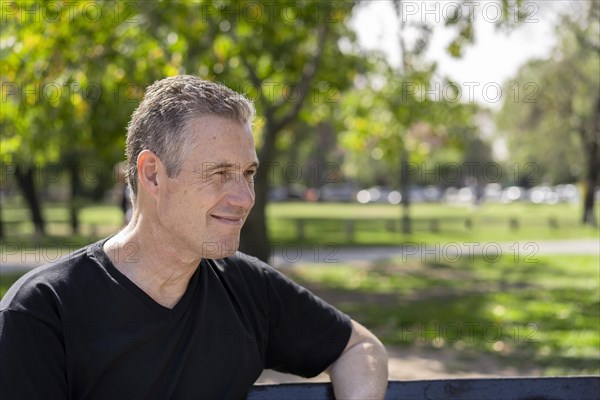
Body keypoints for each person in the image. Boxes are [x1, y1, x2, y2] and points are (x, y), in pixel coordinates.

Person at [0, 75, 388, 399]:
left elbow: (358, 347)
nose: (244, 198)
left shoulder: (247, 289)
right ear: (153, 174)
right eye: (219, 173)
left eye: (248, 173)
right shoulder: (42, 312)